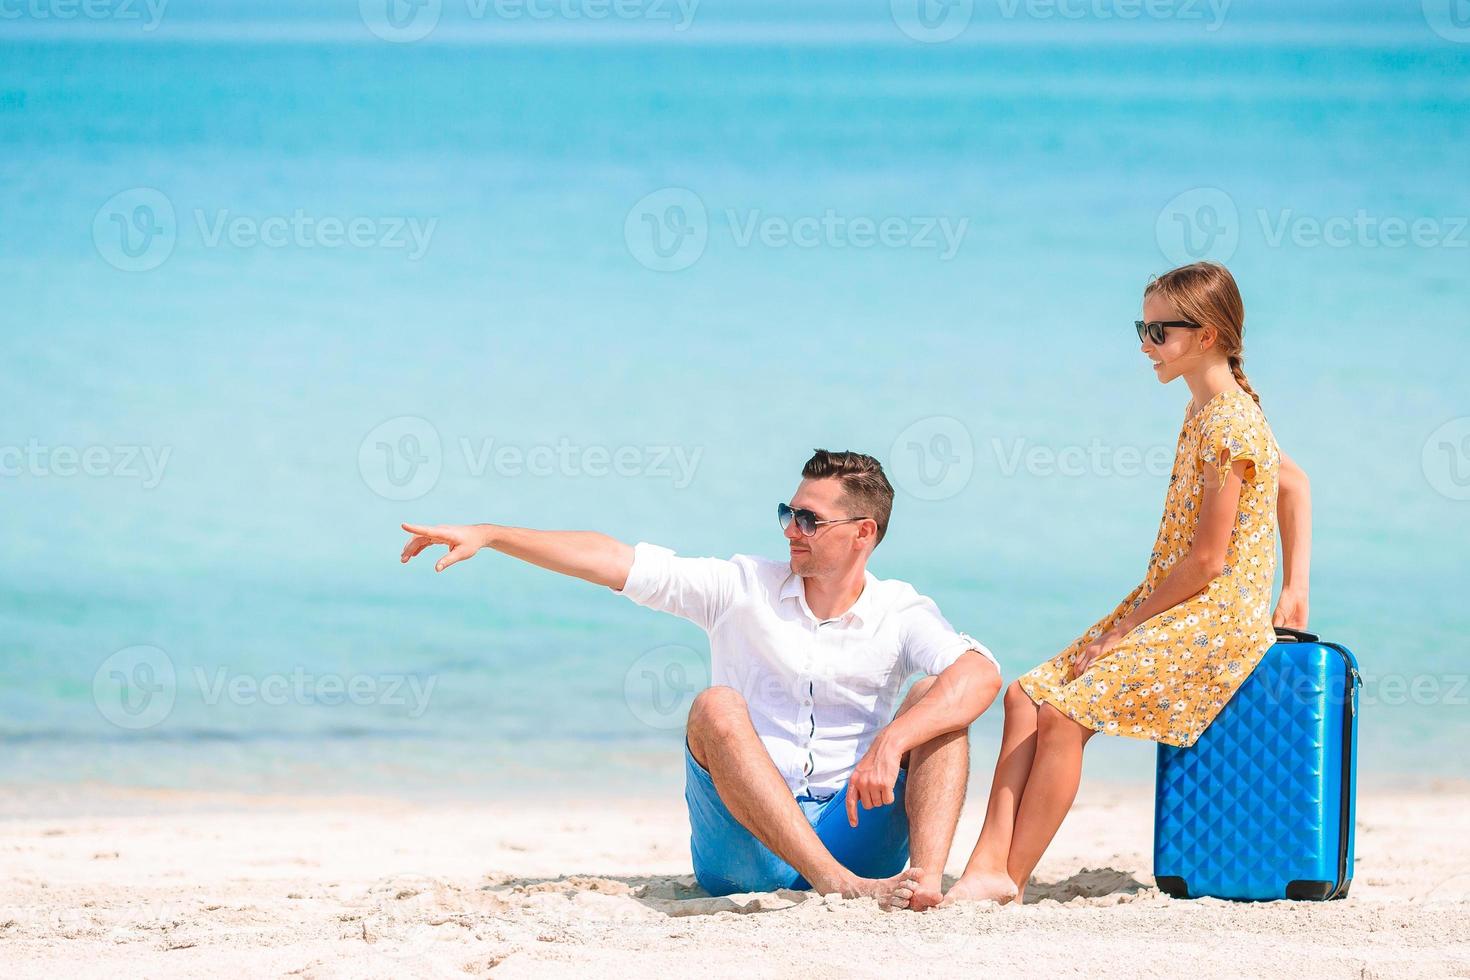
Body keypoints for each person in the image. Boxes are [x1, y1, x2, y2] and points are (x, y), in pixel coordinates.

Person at [399, 449, 1002, 911]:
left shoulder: (901, 610)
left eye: (809, 520)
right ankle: (832, 884)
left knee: (935, 697)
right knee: (716, 706)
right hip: (750, 845)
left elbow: (981, 675)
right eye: (787, 514)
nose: (790, 528)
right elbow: (613, 559)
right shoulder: (739, 587)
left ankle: (923, 881)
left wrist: (892, 742)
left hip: (859, 829)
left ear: (862, 532)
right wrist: (493, 535)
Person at [942, 261, 1313, 906]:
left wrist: (1121, 631)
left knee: (1064, 710)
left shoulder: (1229, 421)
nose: (1145, 344)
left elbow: (1208, 561)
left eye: (1158, 331)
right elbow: (1294, 483)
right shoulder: (1212, 410)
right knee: (1026, 696)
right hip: (1179, 599)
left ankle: (1012, 876)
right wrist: (1296, 586)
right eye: (1140, 328)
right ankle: (985, 864)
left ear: (1207, 335)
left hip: (1214, 612)